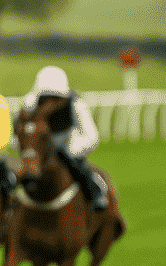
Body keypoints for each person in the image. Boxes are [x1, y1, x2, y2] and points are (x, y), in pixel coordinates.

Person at [20, 65, 109, 211]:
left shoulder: (76, 104)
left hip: (68, 145)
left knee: (77, 166)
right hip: (39, 148)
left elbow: (91, 136)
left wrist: (70, 150)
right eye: (46, 97)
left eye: (55, 97)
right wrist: (28, 149)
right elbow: (19, 131)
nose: (50, 102)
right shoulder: (30, 104)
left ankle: (95, 194)